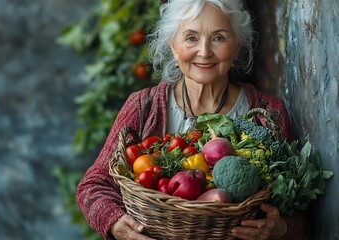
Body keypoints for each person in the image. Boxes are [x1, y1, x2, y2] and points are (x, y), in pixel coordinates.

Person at [76, 0, 309, 239]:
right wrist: (116, 224)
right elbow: (93, 186)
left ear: (237, 46)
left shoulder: (268, 112)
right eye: (191, 38)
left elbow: (303, 212)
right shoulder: (143, 106)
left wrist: (281, 229)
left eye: (219, 38)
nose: (205, 51)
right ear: (173, 46)